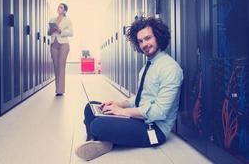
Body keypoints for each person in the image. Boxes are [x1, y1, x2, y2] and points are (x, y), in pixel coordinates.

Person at [75, 17, 183, 161]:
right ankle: (100, 142)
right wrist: (118, 104)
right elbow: (139, 99)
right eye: (140, 41)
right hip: (139, 118)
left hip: (154, 129)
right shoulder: (147, 66)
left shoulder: (170, 68)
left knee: (97, 124)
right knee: (91, 107)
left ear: (158, 36)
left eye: (148, 38)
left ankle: (99, 139)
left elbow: (159, 112)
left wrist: (123, 112)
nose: (144, 44)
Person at [48, 3, 73, 96]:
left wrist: (61, 31)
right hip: (54, 43)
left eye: (61, 7)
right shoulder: (52, 20)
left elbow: (71, 33)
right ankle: (58, 88)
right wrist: (51, 30)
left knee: (61, 66)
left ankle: (60, 90)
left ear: (65, 11)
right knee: (56, 66)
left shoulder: (67, 20)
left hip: (63, 44)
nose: (58, 8)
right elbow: (48, 32)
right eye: (58, 6)